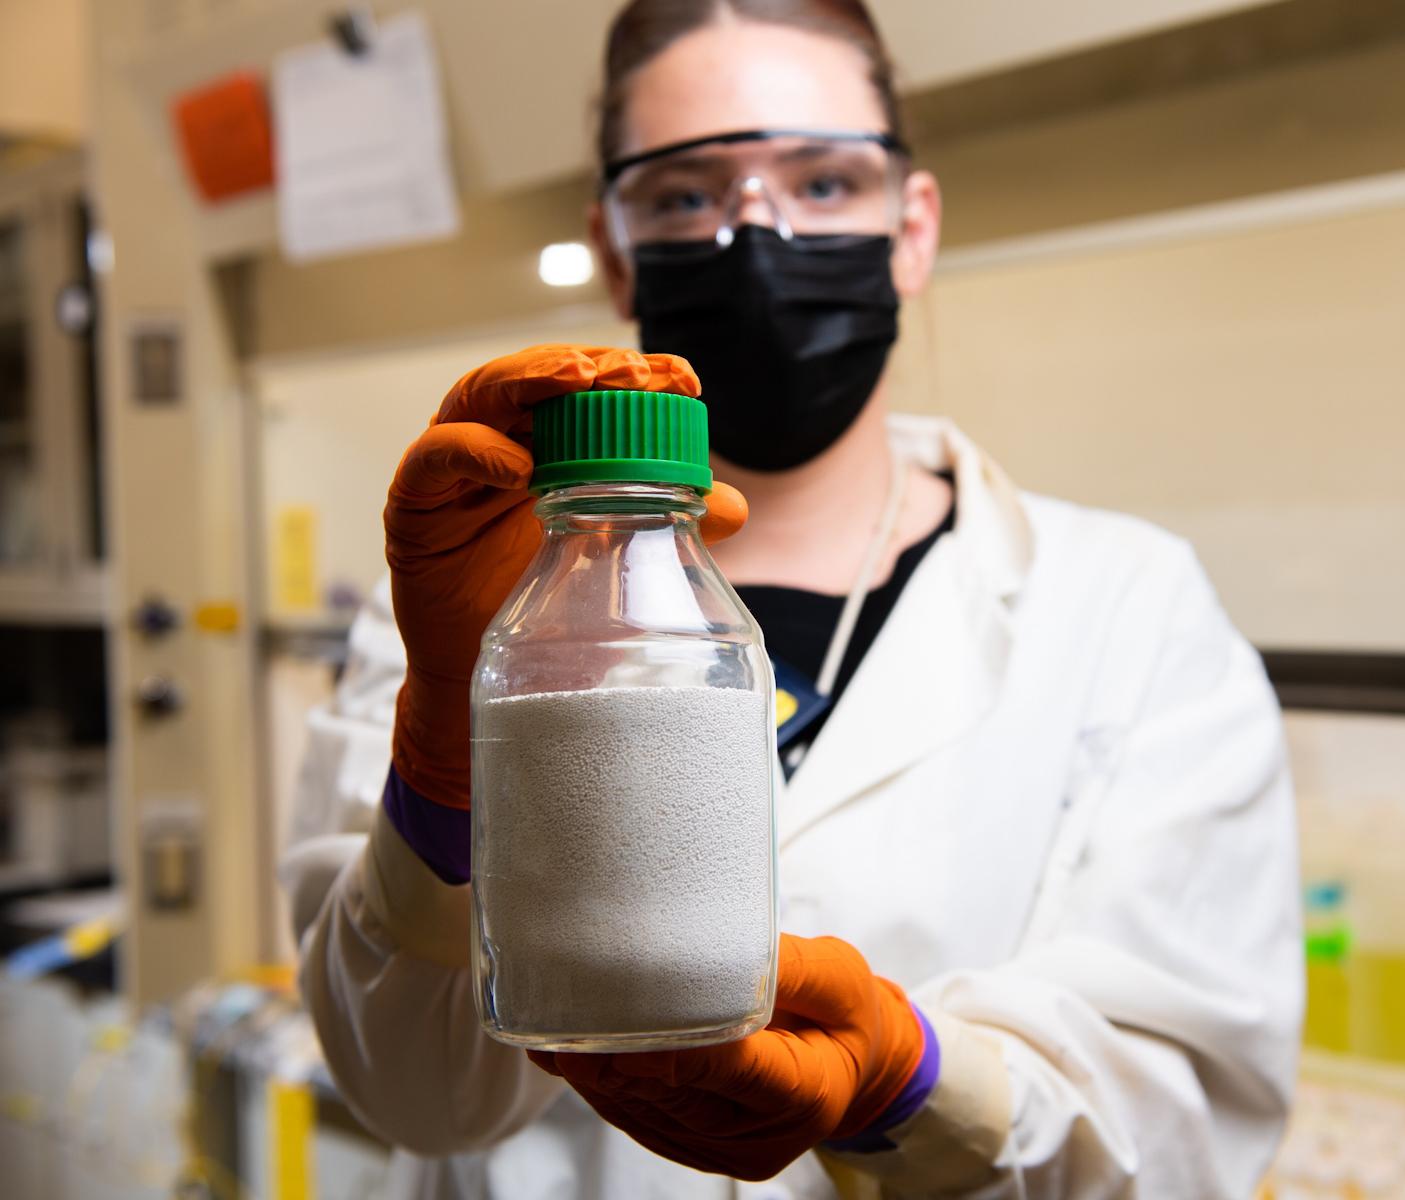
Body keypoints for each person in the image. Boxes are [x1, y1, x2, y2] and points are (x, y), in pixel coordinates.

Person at [282, 1, 1303, 1196]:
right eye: (683, 196)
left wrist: (924, 1086)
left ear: (909, 229)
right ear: (614, 247)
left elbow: (1192, 1125)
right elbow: (417, 1094)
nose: (754, 237)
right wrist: (448, 768)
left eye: (822, 183)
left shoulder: (1127, 611)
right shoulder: (469, 607)